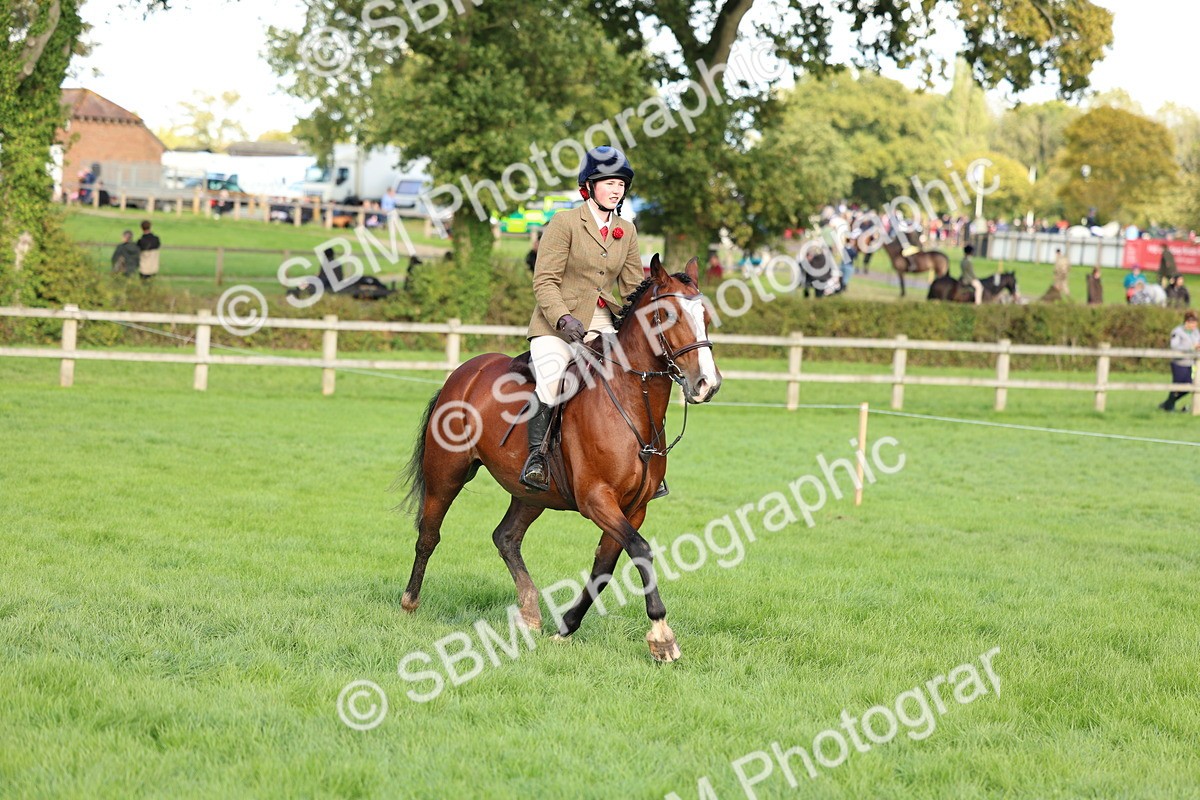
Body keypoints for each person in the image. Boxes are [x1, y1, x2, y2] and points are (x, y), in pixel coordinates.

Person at [521, 145, 643, 492]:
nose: (616, 189)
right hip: (557, 326)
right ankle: (538, 459)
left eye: (621, 184)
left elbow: (633, 287)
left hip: (604, 323)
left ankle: (639, 459)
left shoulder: (627, 231)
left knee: (634, 380)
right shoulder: (565, 222)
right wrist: (563, 319)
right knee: (551, 375)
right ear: (588, 186)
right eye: (608, 182)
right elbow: (544, 280)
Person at [1158, 310, 1200, 412]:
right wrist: (1190, 347)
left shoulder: (1196, 332)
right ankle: (1169, 406)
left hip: (1191, 363)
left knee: (1189, 386)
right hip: (1179, 363)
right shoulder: (1177, 332)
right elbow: (1174, 346)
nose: (1194, 325)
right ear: (1187, 322)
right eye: (1192, 322)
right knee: (1178, 386)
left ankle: (1167, 404)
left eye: (1195, 322)